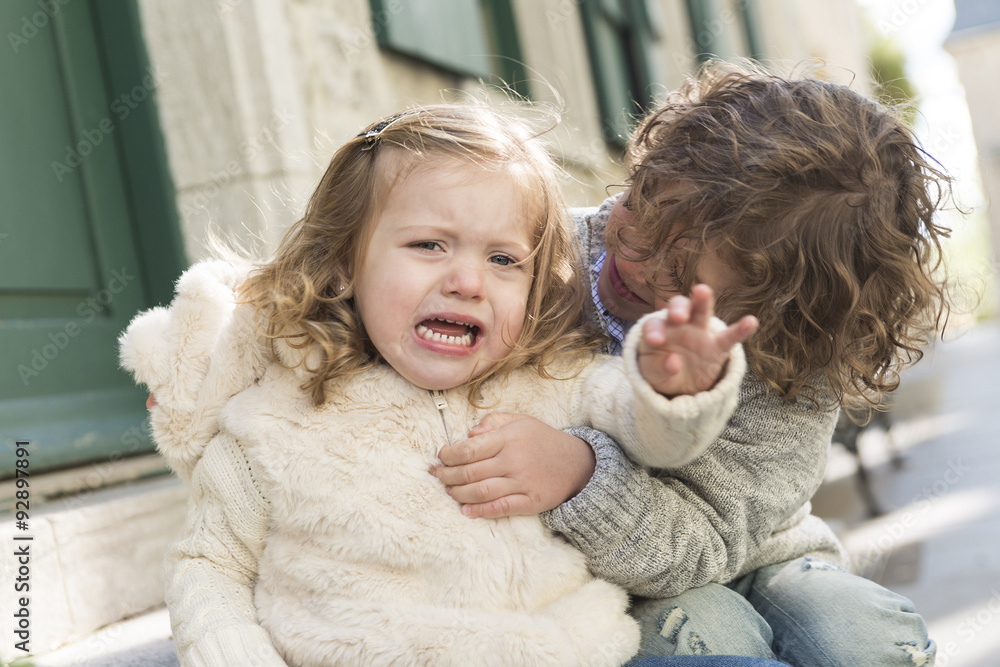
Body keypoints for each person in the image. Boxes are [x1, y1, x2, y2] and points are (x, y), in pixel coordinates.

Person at [120, 104, 758, 666]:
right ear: (343, 265)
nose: (468, 282)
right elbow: (210, 566)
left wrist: (674, 387)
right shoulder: (274, 420)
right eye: (429, 245)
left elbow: (656, 438)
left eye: (503, 259)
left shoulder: (554, 376)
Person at [432, 62, 951, 666]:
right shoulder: (528, 260)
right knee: (710, 633)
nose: (633, 259)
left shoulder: (792, 370)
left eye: (681, 278)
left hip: (746, 551)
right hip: (582, 577)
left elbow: (703, 544)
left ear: (779, 318)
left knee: (862, 638)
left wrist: (581, 476)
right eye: (641, 205)